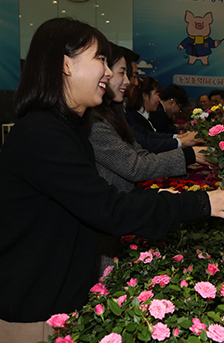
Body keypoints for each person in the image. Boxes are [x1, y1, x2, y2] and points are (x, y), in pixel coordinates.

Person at [0, 17, 224, 343]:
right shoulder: (43, 134)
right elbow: (109, 208)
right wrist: (202, 203)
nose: (108, 73)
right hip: (27, 315)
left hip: (53, 302)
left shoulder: (68, 128)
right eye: (101, 60)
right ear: (66, 65)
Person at [89, 43, 208, 276]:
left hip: (120, 215)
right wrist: (187, 154)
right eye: (125, 74)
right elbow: (133, 165)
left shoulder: (112, 113)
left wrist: (185, 160)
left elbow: (138, 153)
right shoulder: (95, 121)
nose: (131, 82)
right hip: (109, 220)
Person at [124, 77, 199, 153]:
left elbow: (151, 135)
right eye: (157, 94)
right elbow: (147, 142)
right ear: (145, 96)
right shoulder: (134, 117)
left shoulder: (141, 115)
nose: (159, 99)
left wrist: (181, 137)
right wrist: (181, 140)